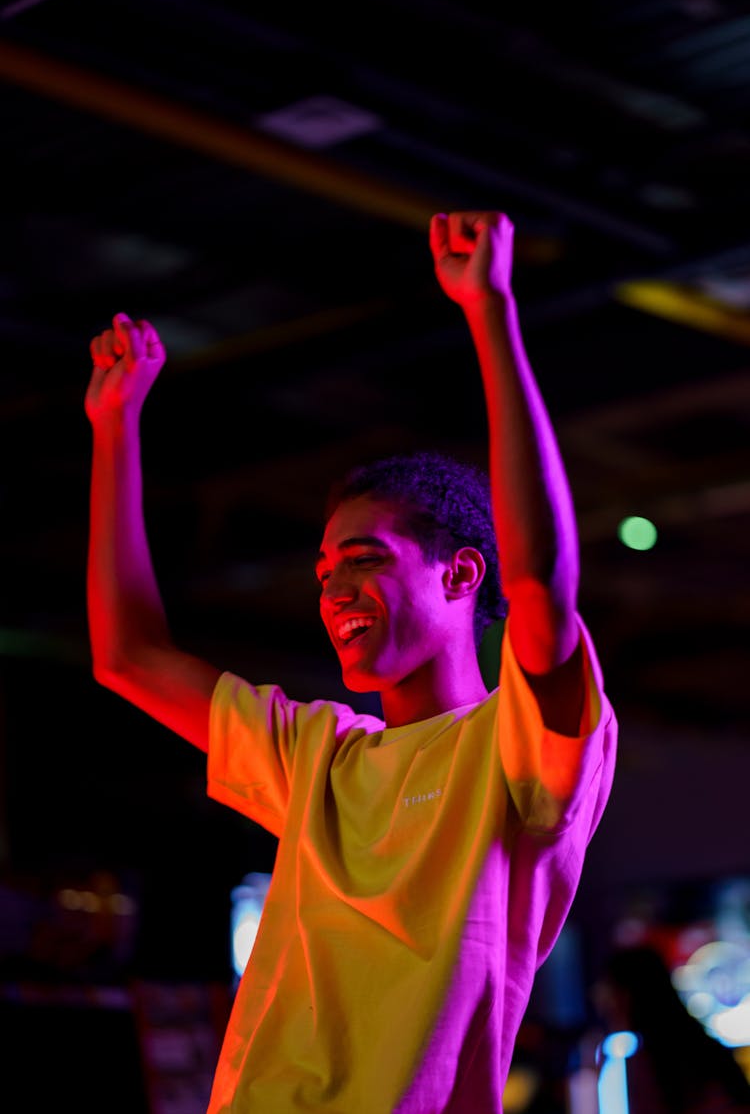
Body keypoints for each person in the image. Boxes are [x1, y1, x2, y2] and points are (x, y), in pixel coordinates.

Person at [85, 210, 618, 1113]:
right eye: (324, 570)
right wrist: (114, 426)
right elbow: (128, 654)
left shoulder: (519, 750)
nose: (332, 591)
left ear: (459, 574)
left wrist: (491, 312)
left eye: (364, 561)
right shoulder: (316, 754)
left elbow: (543, 586)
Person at [591, 944, 750, 1113]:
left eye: (608, 989)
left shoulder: (663, 1058)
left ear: (627, 994)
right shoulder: (693, 1048)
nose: (599, 1000)